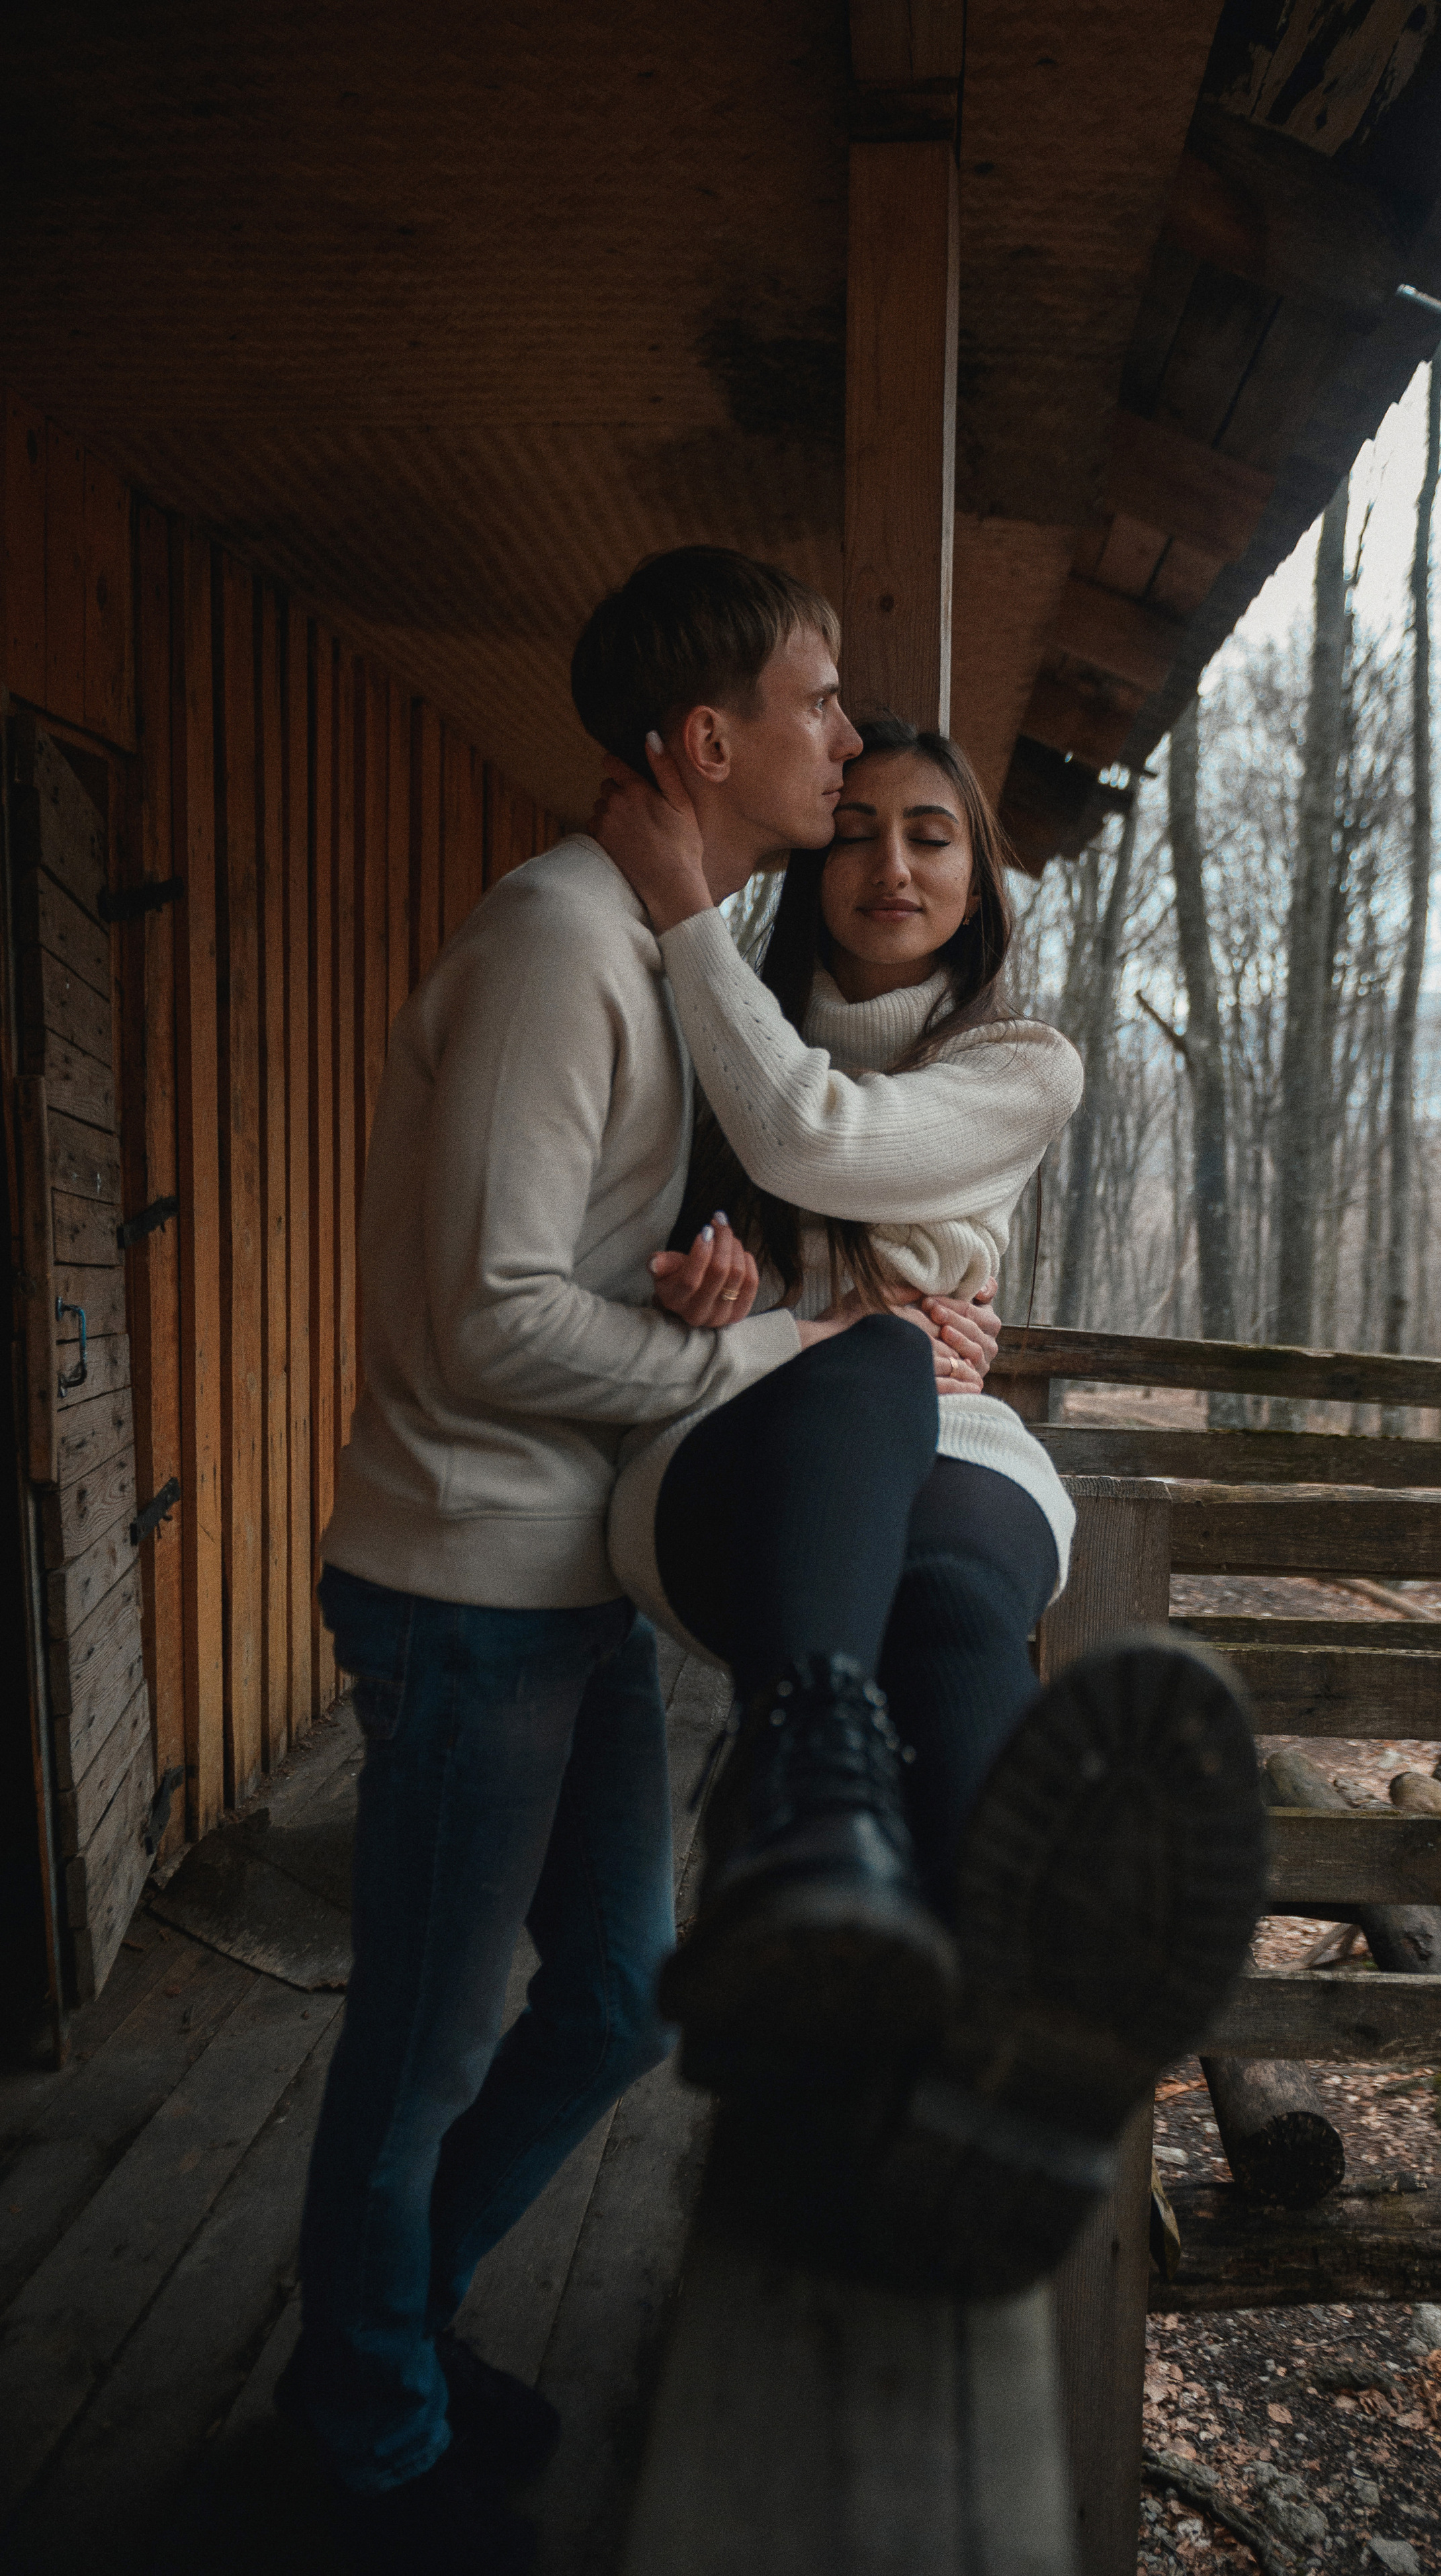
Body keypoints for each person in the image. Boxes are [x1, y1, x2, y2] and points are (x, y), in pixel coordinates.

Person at [279, 549, 998, 2573]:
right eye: (819, 702)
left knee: (607, 2002)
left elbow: (615, 1266)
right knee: (421, 2053)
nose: (845, 739)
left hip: (566, 1577)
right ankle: (369, 2428)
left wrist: (723, 1277)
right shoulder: (553, 938)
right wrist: (777, 1341)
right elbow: (495, 1314)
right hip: (461, 1589)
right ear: (705, 740)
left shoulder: (661, 951)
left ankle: (381, 2325)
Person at [591, 712, 1268, 2297]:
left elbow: (806, 1131)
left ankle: (985, 2028)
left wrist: (684, 907)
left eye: (929, 833)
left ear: (978, 878)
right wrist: (705, 1286)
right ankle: (838, 1835)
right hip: (731, 1456)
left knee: (956, 1591)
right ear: (814, 862)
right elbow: (668, 1215)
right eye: (855, 829)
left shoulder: (1018, 1063)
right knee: (878, 1365)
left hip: (952, 1455)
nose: (888, 862)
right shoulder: (702, 1027)